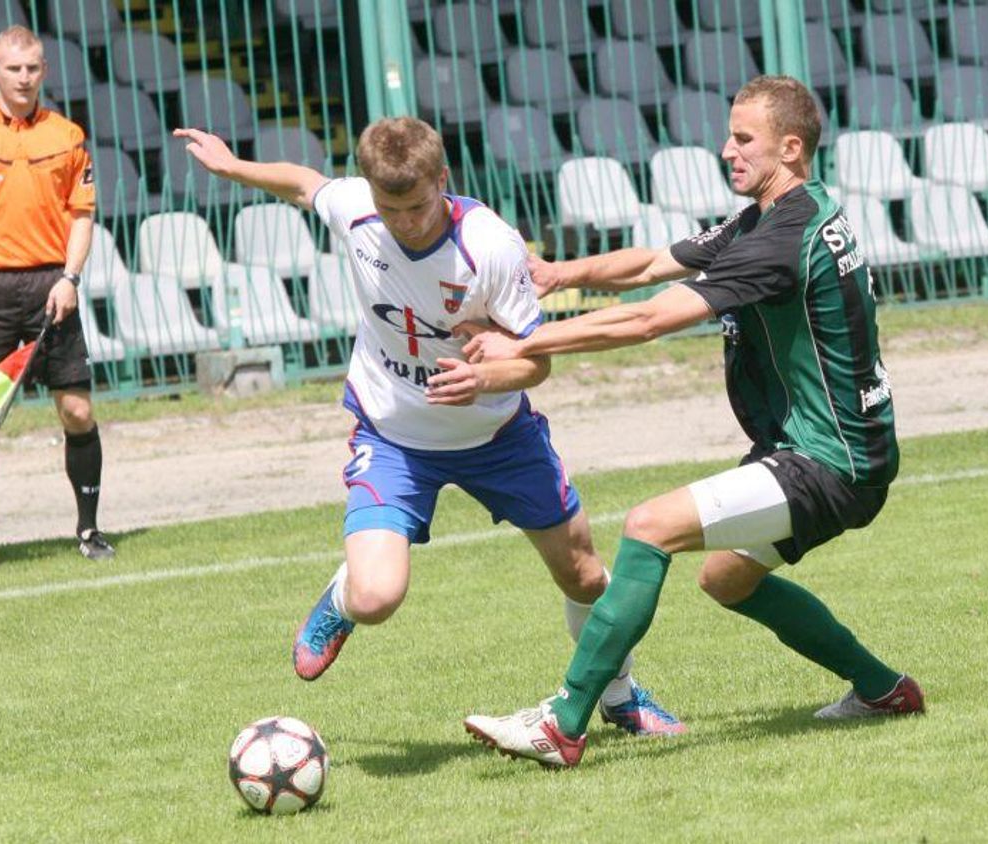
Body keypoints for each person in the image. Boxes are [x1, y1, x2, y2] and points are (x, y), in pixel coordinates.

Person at [459, 76, 924, 769]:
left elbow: (649, 318)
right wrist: (557, 274)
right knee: (725, 579)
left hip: (830, 462)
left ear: (790, 147)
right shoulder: (772, 218)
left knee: (648, 527)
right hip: (839, 451)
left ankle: (562, 725)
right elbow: (653, 263)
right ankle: (884, 690)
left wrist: (525, 344)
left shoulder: (778, 240)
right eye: (729, 136)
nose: (726, 150)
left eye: (744, 140)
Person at [174, 116, 683, 735]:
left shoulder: (491, 246)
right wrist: (233, 167)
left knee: (582, 572)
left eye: (418, 206)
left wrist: (485, 379)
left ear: (442, 179)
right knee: (375, 598)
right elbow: (304, 184)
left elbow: (538, 362)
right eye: (392, 209)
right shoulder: (358, 210)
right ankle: (342, 599)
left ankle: (619, 695)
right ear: (370, 192)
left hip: (497, 435)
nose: (406, 221)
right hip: (393, 434)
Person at [0, 26, 114, 569]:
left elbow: (82, 216)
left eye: (33, 68)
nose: (24, 78)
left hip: (52, 286)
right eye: (14, 68)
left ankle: (90, 530)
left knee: (76, 409)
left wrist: (69, 278)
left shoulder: (68, 136)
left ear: (44, 70)